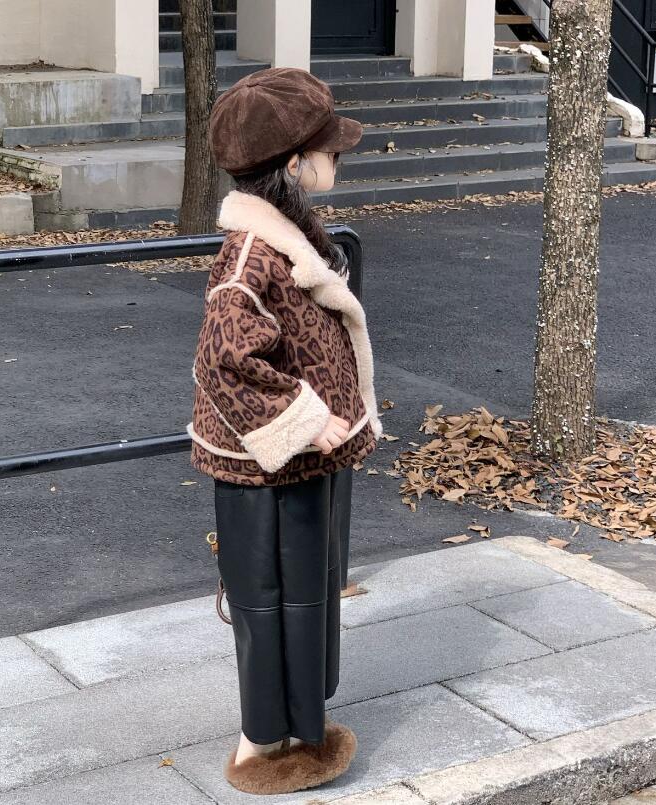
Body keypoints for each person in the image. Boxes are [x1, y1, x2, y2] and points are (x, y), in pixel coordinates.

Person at [187, 66, 383, 796]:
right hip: (268, 467)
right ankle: (260, 746)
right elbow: (224, 359)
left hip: (298, 461)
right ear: (294, 165)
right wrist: (308, 419)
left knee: (303, 594)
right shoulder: (250, 255)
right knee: (271, 600)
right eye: (330, 150)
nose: (339, 159)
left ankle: (299, 729)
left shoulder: (287, 238)